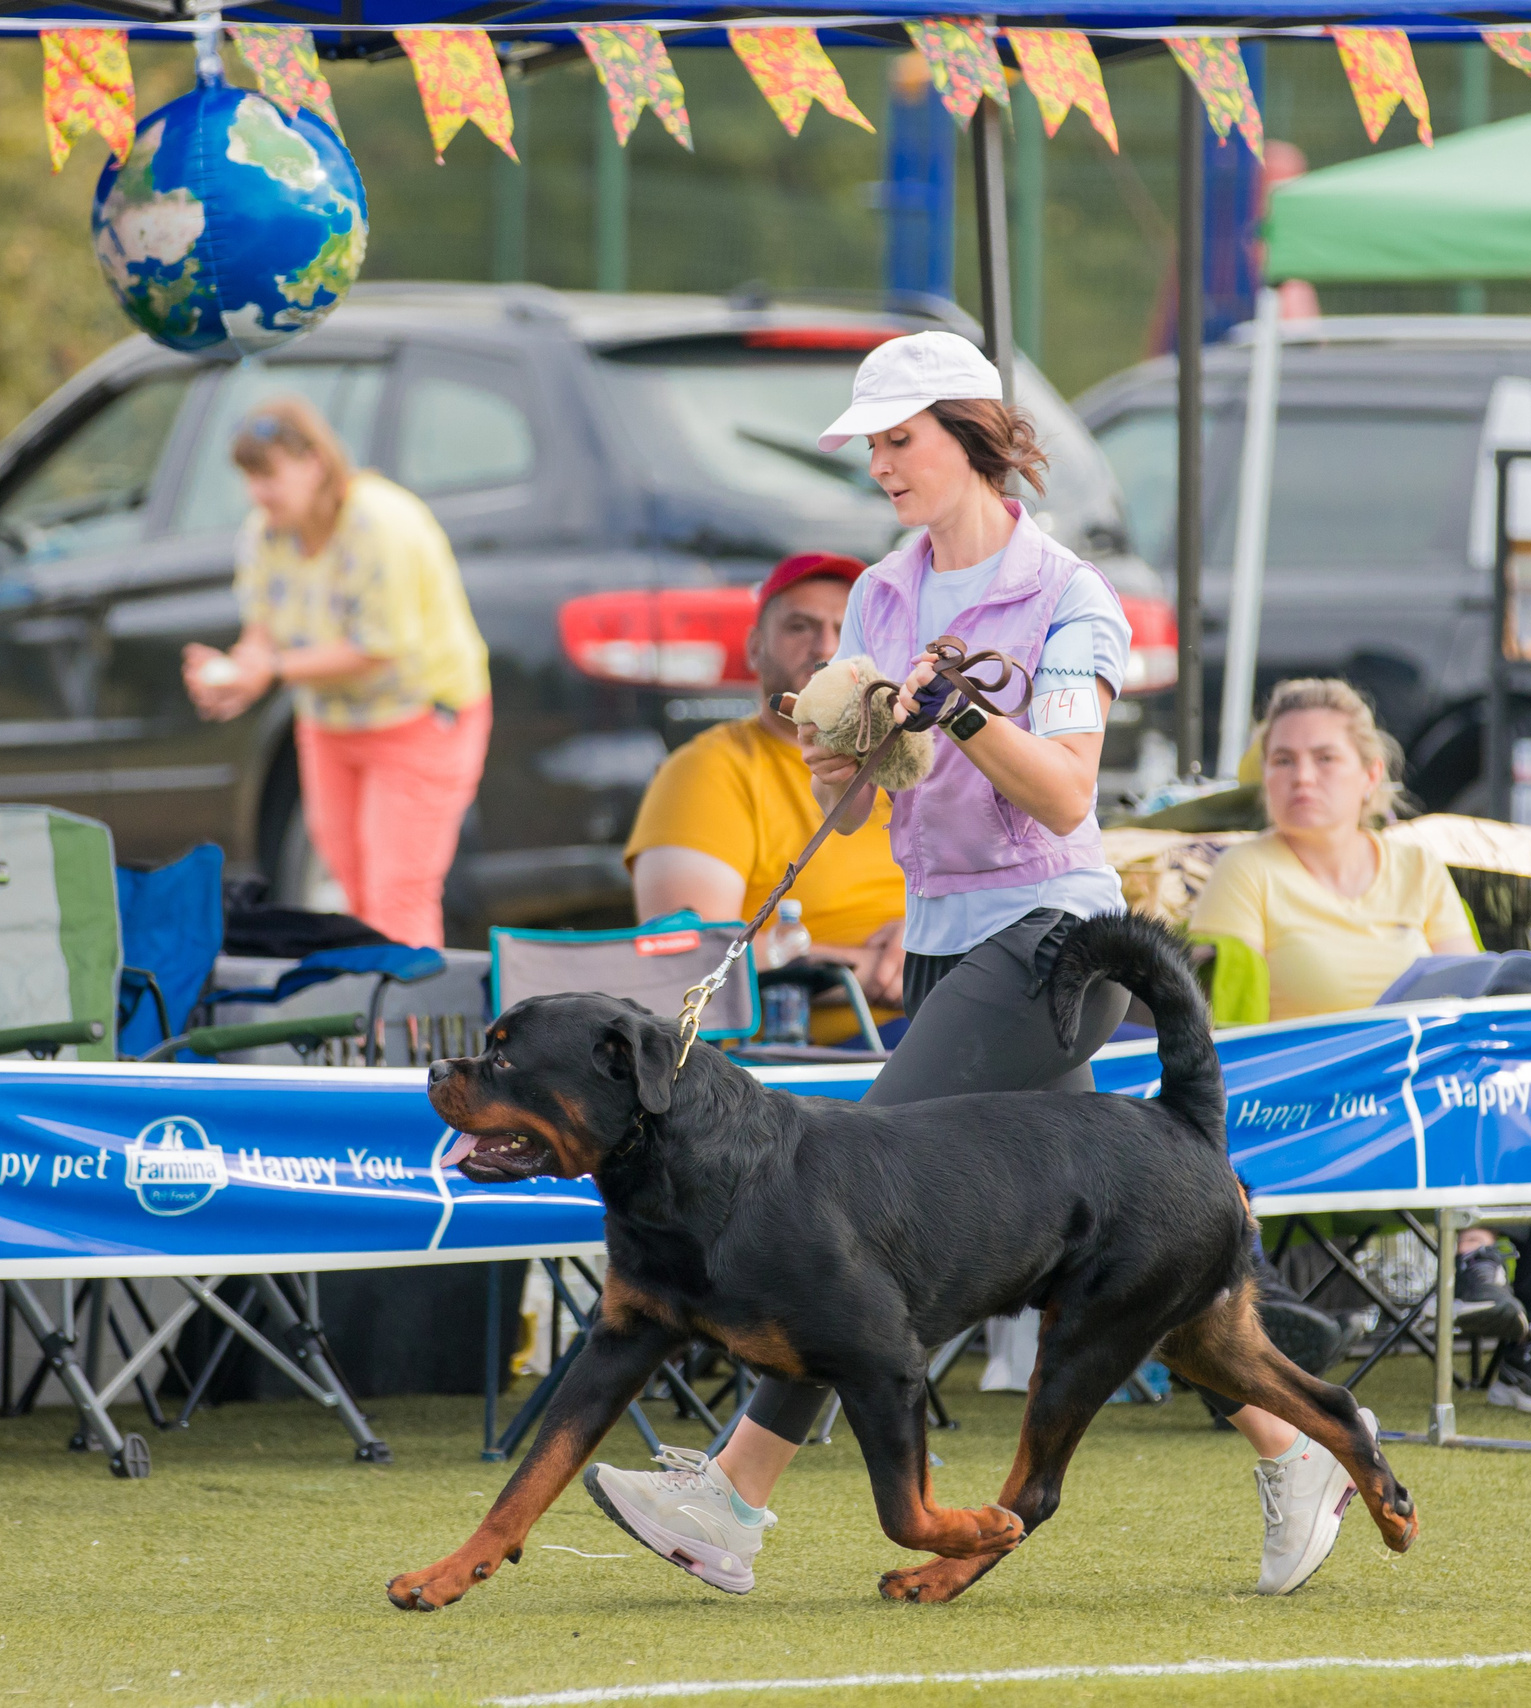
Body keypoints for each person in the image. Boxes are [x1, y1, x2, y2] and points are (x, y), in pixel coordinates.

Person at [583, 329, 1370, 1602]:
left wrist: (956, 708)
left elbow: (1062, 795)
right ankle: (1298, 1448)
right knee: (1132, 1246)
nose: (881, 465)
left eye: (901, 440)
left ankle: (728, 1497)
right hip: (944, 936)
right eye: (873, 445)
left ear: (969, 435)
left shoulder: (1073, 595)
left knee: (839, 1208)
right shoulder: (887, 592)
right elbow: (866, 787)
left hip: (1053, 936)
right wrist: (845, 751)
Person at [1188, 678, 1531, 1419]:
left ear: (1370, 776)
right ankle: (1474, 1263)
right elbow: (1230, 1035)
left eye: (1323, 758)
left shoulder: (1417, 868)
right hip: (1303, 1114)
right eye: (1281, 761)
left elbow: (1470, 998)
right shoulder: (1243, 871)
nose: (1301, 777)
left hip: (1425, 1100)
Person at [183, 397, 490, 949]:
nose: (257, 493)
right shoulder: (265, 533)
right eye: (249, 478)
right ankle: (375, 1025)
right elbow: (264, 633)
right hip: (331, 723)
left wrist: (270, 670)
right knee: (353, 890)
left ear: (314, 463)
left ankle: (407, 1033)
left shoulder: (379, 524)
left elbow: (381, 647)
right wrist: (235, 676)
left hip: (419, 714)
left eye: (268, 475)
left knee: (399, 891)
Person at [625, 554, 904, 1044]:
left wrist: (929, 944)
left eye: (846, 629)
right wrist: (878, 970)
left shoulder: (911, 759)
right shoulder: (711, 771)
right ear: (755, 649)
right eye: (800, 626)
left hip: (939, 1022)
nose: (826, 645)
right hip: (808, 1064)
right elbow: (686, 970)